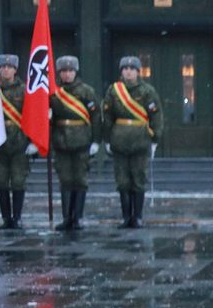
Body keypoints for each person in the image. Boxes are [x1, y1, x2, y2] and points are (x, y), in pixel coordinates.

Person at [102, 55, 162, 229]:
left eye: (132, 69)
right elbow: (108, 116)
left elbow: (156, 116)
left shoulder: (147, 91)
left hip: (140, 141)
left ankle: (138, 217)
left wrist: (155, 138)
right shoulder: (114, 91)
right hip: (119, 141)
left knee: (138, 179)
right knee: (122, 181)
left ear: (138, 72)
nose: (128, 72)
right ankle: (126, 217)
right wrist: (107, 139)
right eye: (125, 69)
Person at [50, 55, 101, 231]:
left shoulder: (86, 91)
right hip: (61, 141)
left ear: (76, 72)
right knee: (65, 180)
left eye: (70, 71)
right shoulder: (53, 92)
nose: (67, 74)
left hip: (82, 141)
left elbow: (95, 116)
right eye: (64, 71)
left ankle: (77, 217)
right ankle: (66, 218)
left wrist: (95, 140)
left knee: (80, 180)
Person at [0, 54, 32, 228]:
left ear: (15, 69)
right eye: (2, 67)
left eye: (9, 66)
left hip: (19, 141)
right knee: (0, 181)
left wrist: (31, 141)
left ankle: (17, 217)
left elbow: (31, 116)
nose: (5, 69)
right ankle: (6, 218)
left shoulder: (24, 90)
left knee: (18, 181)